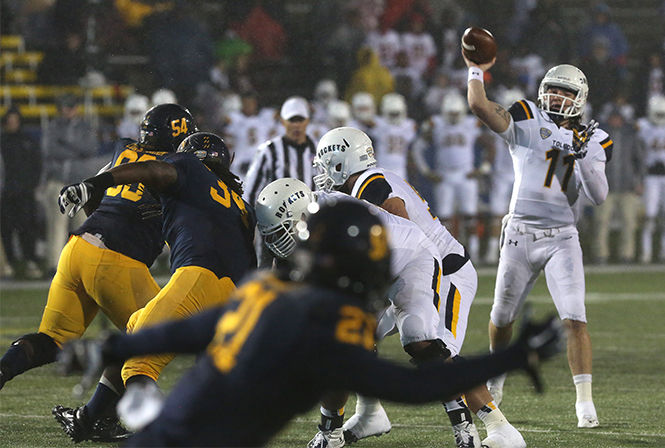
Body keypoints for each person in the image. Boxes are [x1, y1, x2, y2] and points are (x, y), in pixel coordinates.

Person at [58, 200, 563, 447]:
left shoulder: (266, 289)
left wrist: (107, 350)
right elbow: (409, 384)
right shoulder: (326, 330)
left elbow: (190, 331)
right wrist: (516, 356)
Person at [311, 128, 525, 447]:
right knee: (357, 333)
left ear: (341, 163)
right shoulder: (367, 181)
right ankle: (370, 412)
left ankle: (501, 429)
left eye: (325, 163)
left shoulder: (369, 184)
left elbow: (401, 232)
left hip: (444, 272)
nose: (321, 173)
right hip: (411, 269)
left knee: (438, 354)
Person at [0, 103, 197, 442]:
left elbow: (98, 191)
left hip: (78, 248)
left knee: (52, 339)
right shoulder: (175, 167)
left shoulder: (124, 150)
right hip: (116, 258)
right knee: (151, 336)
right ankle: (94, 419)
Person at [54, 130, 256, 441]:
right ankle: (90, 419)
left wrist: (96, 184)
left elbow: (154, 171)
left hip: (200, 278)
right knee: (136, 329)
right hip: (238, 300)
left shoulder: (188, 167)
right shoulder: (239, 204)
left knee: (140, 362)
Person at [463, 51, 612, 428]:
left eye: (564, 92)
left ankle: (584, 402)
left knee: (575, 317)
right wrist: (475, 69)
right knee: (501, 314)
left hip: (562, 236)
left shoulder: (594, 138)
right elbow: (480, 106)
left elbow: (599, 196)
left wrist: (580, 157)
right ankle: (497, 376)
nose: (556, 98)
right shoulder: (527, 117)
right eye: (552, 90)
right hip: (520, 233)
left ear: (579, 97)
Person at [41, 94, 101, 273]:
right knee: (56, 226)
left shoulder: (85, 126)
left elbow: (91, 149)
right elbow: (50, 150)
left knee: (83, 227)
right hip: (58, 181)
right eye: (64, 107)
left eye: (70, 107)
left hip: (80, 183)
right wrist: (76, 150)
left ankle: (83, 265)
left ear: (76, 108)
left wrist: (65, 145)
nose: (67, 110)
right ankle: (54, 265)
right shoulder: (53, 126)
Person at [243, 96, 318, 206]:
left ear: (307, 121)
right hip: (279, 220)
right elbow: (250, 193)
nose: (296, 125)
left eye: (300, 120)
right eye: (292, 120)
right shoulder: (269, 151)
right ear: (282, 121)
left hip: (313, 218)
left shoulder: (319, 150)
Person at [593, 107, 642, 263]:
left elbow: (639, 160)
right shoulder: (599, 136)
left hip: (627, 186)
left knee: (629, 222)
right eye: (613, 117)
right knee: (601, 222)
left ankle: (627, 255)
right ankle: (601, 255)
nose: (615, 120)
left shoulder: (630, 136)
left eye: (617, 117)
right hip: (605, 186)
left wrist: (639, 181)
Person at [0, 106, 43, 279]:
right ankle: (9, 262)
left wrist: (32, 184)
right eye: (9, 121)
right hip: (5, 193)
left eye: (15, 121)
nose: (12, 124)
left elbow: (37, 164)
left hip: (25, 192)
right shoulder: (2, 141)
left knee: (27, 228)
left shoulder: (28, 141)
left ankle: (29, 260)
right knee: (6, 230)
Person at [637, 95, 665, 263]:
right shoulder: (643, 126)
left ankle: (663, 252)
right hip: (651, 176)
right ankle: (646, 252)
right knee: (649, 216)